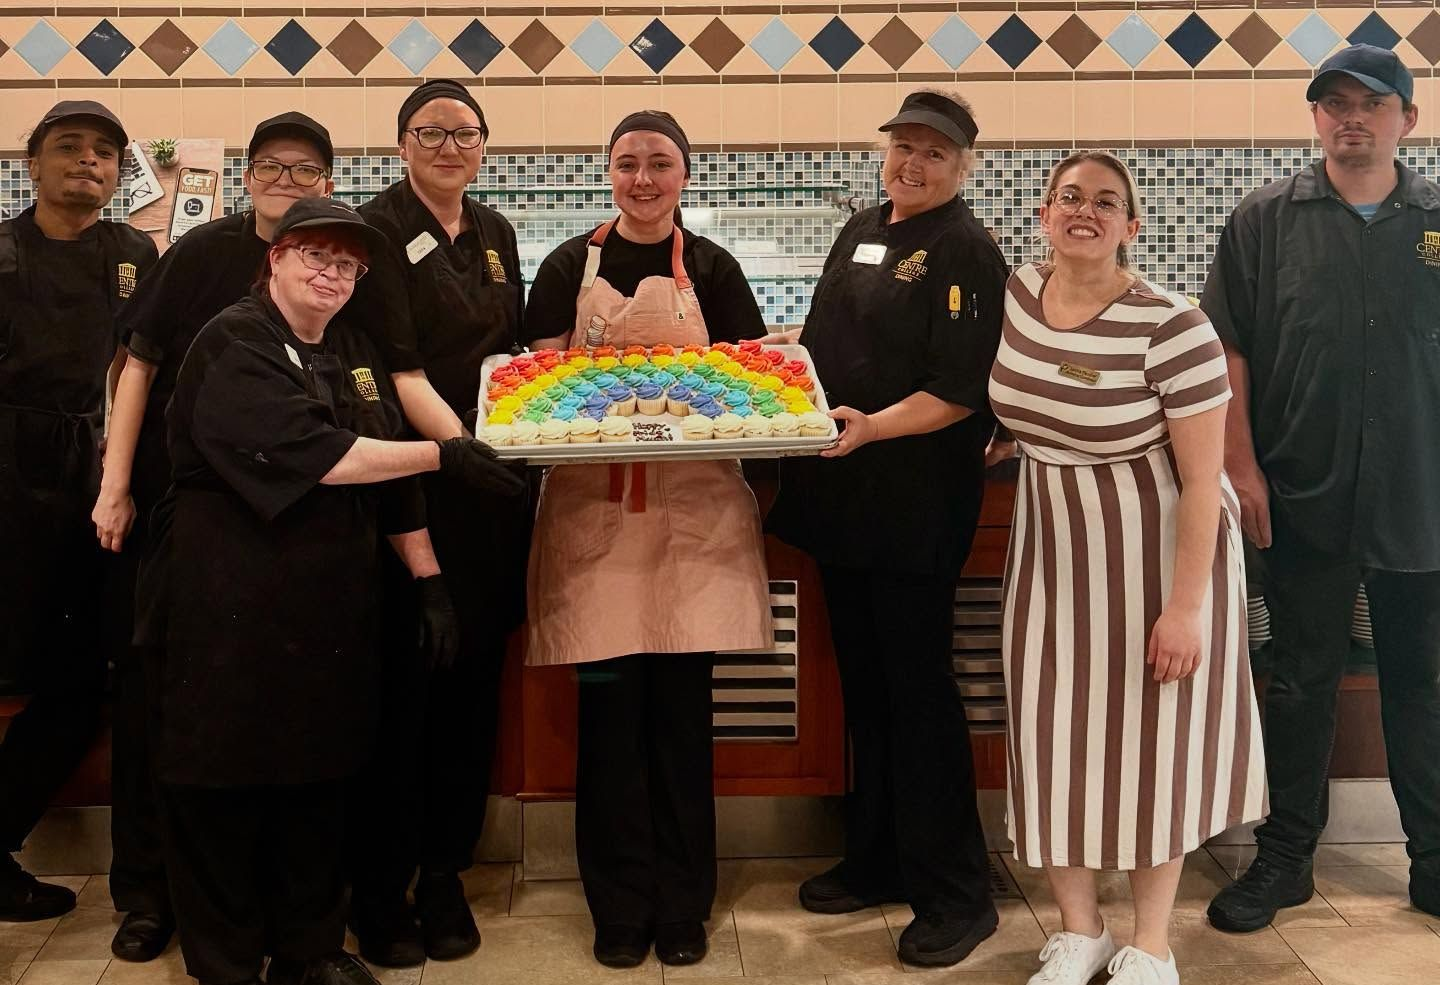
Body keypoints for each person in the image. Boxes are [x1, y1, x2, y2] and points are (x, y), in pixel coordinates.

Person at [148, 197, 521, 985]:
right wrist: (445, 452)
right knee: (226, 788)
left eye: (348, 265)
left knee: (319, 781)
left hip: (326, 614)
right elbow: (320, 454)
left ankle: (310, 950)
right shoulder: (234, 340)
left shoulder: (349, 349)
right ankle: (227, 962)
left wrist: (428, 581)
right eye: (316, 255)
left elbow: (384, 475)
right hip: (229, 612)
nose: (333, 273)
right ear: (275, 259)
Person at [991, 151, 1266, 985]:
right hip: (1049, 552)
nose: (1085, 210)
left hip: (1154, 554)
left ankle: (1151, 944)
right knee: (1050, 736)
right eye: (1069, 196)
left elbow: (1200, 480)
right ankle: (1081, 930)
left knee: (1155, 749)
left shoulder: (1173, 326)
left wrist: (1187, 609)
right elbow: (1019, 407)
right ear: (1042, 214)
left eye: (1106, 202)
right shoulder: (1017, 296)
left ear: (1130, 227)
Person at [523, 110, 773, 969]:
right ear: (609, 173)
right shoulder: (568, 265)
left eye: (659, 163)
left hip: (693, 523)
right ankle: (619, 906)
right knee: (610, 717)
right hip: (595, 521)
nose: (642, 178)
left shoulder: (712, 266)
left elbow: (753, 383)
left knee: (680, 717)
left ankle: (684, 905)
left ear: (684, 175)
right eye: (627, 163)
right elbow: (533, 381)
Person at [765, 89, 1007, 968]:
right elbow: (844, 336)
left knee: (918, 692)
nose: (914, 163)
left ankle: (956, 891)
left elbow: (957, 390)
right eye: (904, 146)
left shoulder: (967, 250)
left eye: (934, 153)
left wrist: (870, 424)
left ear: (963, 165)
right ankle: (879, 857)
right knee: (866, 687)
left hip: (912, 504)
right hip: (845, 500)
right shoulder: (866, 225)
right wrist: (789, 352)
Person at [91, 111, 338, 964]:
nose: (286, 179)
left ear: (328, 183)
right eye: (271, 165)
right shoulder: (198, 254)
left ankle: (273, 913)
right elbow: (137, 365)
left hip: (290, 527)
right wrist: (116, 486)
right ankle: (146, 892)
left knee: (265, 722)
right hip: (182, 514)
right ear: (247, 177)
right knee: (161, 709)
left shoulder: (336, 263)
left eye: (305, 169)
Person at [1203, 43, 1440, 931]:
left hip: (1424, 495)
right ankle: (1286, 856)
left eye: (1371, 104)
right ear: (1314, 118)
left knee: (1422, 681)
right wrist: (1240, 465)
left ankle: (1434, 860)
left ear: (1406, 121)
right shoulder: (1264, 221)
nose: (1352, 117)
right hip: (1303, 492)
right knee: (1299, 679)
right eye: (1334, 102)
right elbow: (1231, 349)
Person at [351, 79, 529, 966]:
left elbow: (513, 360)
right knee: (407, 691)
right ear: (402, 145)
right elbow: (397, 370)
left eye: (465, 133)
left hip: (488, 497)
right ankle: (381, 890)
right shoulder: (376, 230)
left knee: (472, 692)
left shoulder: (494, 234)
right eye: (432, 131)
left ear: (485, 146)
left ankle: (446, 872)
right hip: (412, 486)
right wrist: (465, 449)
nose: (449, 146)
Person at [0, 101, 156, 922]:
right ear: (31, 163)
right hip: (4, 481)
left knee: (78, 680)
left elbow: (145, 361)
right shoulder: (1, 253)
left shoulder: (134, 253)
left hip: (95, 485)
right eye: (69, 147)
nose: (88, 162)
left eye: (105, 152)